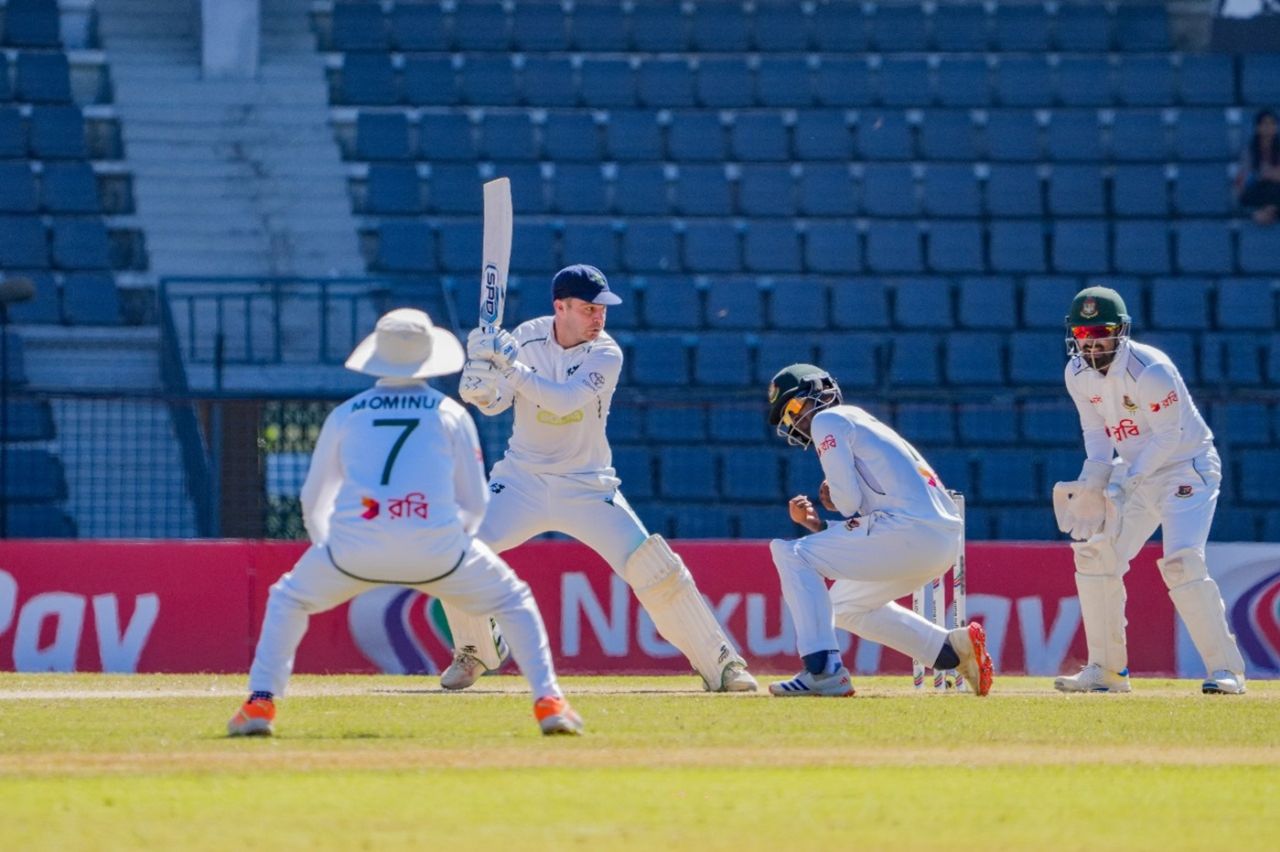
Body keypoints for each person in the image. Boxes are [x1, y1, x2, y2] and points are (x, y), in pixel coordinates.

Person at [227, 308, 584, 737]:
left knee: (287, 599)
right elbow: (475, 502)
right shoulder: (450, 413)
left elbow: (313, 498)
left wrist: (330, 549)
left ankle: (260, 704)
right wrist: (452, 546)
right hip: (438, 550)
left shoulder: (347, 414)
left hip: (353, 548)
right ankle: (549, 702)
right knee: (515, 601)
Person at [447, 264, 757, 693]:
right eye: (589, 309)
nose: (599, 318)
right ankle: (475, 649)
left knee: (656, 568)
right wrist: (479, 385)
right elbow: (497, 402)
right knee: (458, 553)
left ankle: (722, 665)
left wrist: (511, 369)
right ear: (560, 306)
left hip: (587, 484)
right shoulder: (525, 338)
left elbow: (563, 401)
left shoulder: (606, 353)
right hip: (522, 480)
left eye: (603, 309)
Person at [1052, 286, 1247, 694]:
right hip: (1136, 468)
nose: (1092, 343)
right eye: (1084, 334)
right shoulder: (1076, 373)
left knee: (1181, 562)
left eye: (1101, 332)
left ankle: (1226, 671)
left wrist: (1128, 483)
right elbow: (1096, 431)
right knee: (1094, 553)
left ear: (1120, 331)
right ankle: (1107, 671)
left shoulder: (1150, 370)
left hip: (1187, 466)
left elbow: (1169, 437)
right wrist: (1094, 479)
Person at [763, 363, 993, 698]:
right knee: (843, 606)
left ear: (820, 392)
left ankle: (823, 671)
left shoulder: (830, 419)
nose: (797, 421)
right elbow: (871, 520)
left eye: (797, 407)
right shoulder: (863, 424)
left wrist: (837, 498)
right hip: (934, 541)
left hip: (910, 533)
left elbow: (848, 501)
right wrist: (818, 525)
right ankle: (951, 650)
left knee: (789, 553)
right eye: (788, 417)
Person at [1236, 108, 1280, 225]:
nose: (1268, 127)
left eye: (1272, 124)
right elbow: (1243, 178)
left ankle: (1267, 212)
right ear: (1257, 127)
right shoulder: (1249, 151)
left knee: (1275, 189)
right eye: (1265, 124)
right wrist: (1261, 175)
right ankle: (1271, 210)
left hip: (1276, 189)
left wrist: (1270, 174)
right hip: (1257, 190)